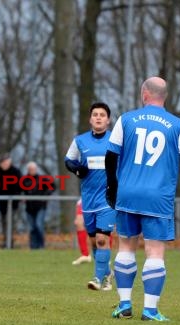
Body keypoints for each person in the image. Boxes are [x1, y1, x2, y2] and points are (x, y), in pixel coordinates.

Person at [105, 77, 180, 321]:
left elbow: (110, 155)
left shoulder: (126, 119)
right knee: (154, 251)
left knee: (126, 246)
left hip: (128, 193)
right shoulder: (179, 125)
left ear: (144, 94)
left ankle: (124, 305)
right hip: (158, 197)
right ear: (165, 96)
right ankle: (150, 310)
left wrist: (112, 186)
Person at [65, 102, 116, 291]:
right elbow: (68, 160)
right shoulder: (80, 141)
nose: (98, 117)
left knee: (103, 239)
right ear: (90, 119)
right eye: (95, 114)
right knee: (94, 241)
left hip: (108, 198)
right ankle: (107, 273)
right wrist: (78, 169)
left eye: (102, 114)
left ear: (108, 120)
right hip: (88, 198)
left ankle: (96, 278)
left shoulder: (115, 141)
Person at [23, 161, 54, 249]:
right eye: (30, 169)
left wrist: (45, 196)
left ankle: (41, 246)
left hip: (40, 207)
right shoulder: (24, 180)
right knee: (32, 228)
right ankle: (33, 247)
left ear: (36, 169)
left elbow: (52, 187)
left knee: (38, 225)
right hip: (29, 208)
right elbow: (20, 190)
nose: (32, 170)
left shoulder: (42, 179)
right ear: (28, 170)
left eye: (33, 169)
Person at [0, 153, 22, 248]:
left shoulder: (16, 172)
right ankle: (6, 242)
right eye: (2, 162)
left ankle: (10, 243)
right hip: (2, 203)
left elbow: (20, 186)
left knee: (10, 223)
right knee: (4, 223)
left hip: (13, 203)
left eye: (5, 162)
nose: (4, 164)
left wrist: (16, 198)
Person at [72, 198, 91, 265]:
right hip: (87, 197)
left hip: (102, 197)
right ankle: (85, 255)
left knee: (103, 227)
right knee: (78, 223)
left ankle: (105, 257)